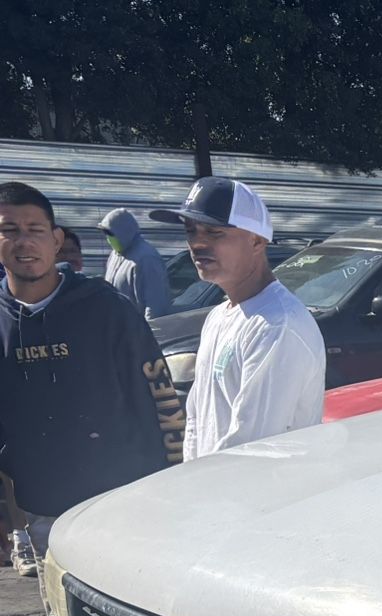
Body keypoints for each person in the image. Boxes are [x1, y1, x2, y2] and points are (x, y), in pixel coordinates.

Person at [0, 180, 183, 578]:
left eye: (35, 230)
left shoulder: (107, 310)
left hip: (120, 502)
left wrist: (173, 481)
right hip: (41, 511)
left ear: (56, 239)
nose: (23, 242)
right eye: (10, 230)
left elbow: (162, 398)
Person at [152, 177, 323, 459]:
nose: (197, 243)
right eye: (191, 231)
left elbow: (252, 446)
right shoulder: (219, 316)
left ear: (257, 241)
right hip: (213, 492)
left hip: (258, 498)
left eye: (214, 232)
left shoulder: (277, 325)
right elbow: (196, 419)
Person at [97, 208, 171, 319]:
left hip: (136, 332)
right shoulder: (115, 254)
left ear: (123, 231)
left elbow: (155, 305)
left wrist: (150, 333)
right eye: (105, 233)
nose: (108, 238)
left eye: (110, 233)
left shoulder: (146, 258)